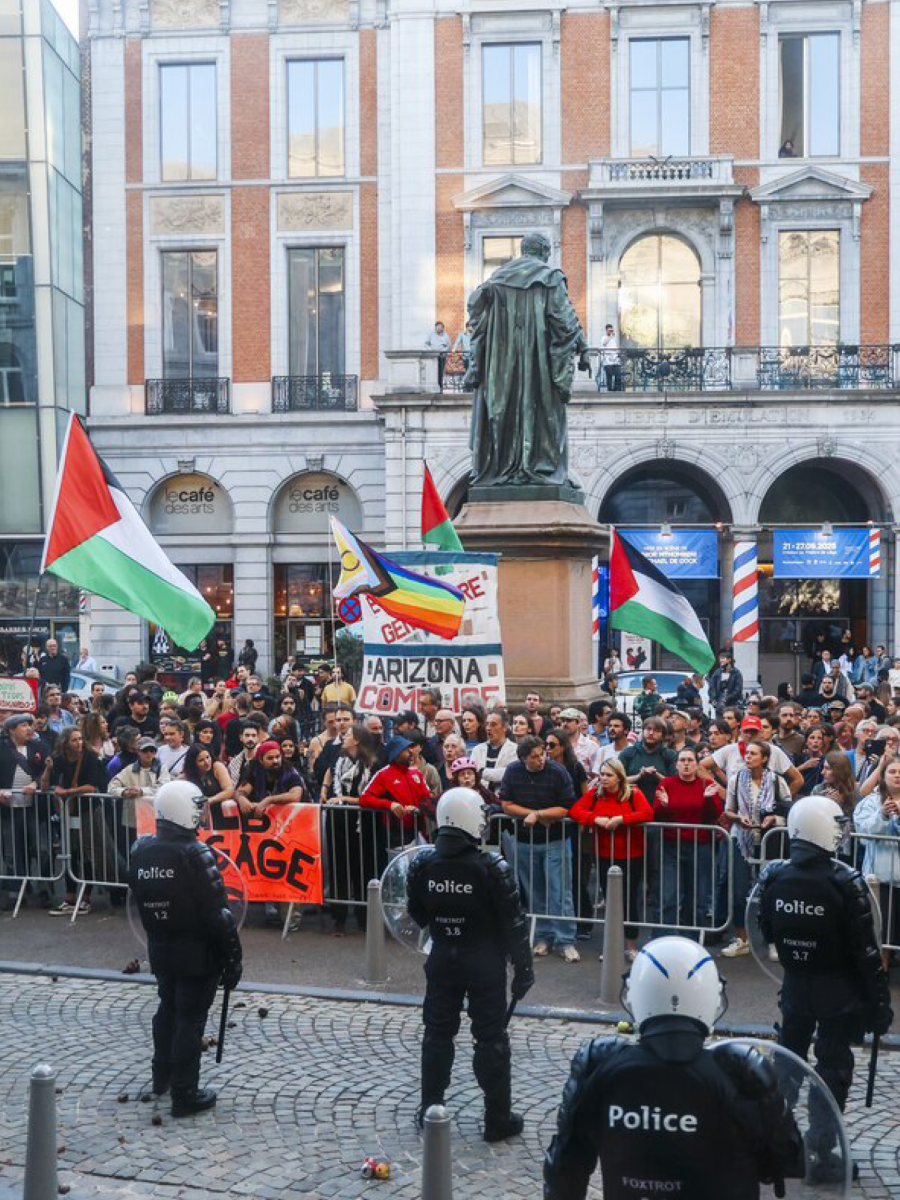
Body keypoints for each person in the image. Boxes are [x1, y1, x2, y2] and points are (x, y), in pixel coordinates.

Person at [544, 936, 804, 1199]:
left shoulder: (601, 1067)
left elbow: (565, 1168)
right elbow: (783, 1162)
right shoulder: (738, 1074)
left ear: (635, 995)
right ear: (712, 998)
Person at [758, 794, 892, 1181]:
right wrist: (879, 1004)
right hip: (837, 992)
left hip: (796, 988)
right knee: (832, 1070)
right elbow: (867, 952)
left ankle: (776, 1151)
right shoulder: (844, 883)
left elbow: (765, 929)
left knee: (787, 1067)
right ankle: (822, 1155)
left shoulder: (774, 875)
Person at [406, 787, 534, 1139]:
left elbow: (416, 912)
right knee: (491, 1039)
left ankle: (430, 1108)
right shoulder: (491, 867)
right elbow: (514, 924)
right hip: (484, 963)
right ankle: (497, 1118)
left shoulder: (423, 863)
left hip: (443, 956)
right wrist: (524, 969)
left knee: (437, 1035)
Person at [128, 780, 242, 1117]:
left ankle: (160, 1076)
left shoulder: (141, 849)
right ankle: (184, 1092)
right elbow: (219, 915)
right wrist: (232, 959)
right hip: (196, 951)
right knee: (190, 1019)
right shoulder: (194, 853)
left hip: (161, 945)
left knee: (168, 1009)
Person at [499, 736, 579, 962]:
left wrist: (539, 814)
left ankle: (566, 940)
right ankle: (544, 936)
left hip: (556, 840)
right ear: (523, 758)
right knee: (535, 892)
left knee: (560, 892)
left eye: (542, 753)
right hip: (524, 841)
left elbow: (566, 807)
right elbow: (505, 804)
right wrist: (531, 814)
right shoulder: (513, 771)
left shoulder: (558, 771)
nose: (541, 759)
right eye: (534, 757)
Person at [571, 758, 653, 959]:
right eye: (602, 774)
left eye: (608, 775)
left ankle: (631, 945)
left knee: (629, 899)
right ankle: (612, 946)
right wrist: (594, 819)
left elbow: (648, 813)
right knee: (610, 900)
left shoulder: (633, 793)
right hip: (604, 854)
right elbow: (575, 810)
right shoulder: (595, 793)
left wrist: (621, 820)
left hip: (631, 854)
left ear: (619, 776)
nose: (604, 779)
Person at [720, 739, 790, 957]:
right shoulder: (735, 779)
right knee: (739, 891)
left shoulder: (777, 781)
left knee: (771, 891)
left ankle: (773, 941)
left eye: (753, 753)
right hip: (741, 839)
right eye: (746, 753)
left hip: (771, 840)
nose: (747, 757)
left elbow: (789, 808)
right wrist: (738, 818)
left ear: (765, 758)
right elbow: (728, 810)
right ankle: (742, 940)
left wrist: (774, 818)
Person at [652, 747, 722, 935]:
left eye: (690, 760)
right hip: (670, 846)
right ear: (676, 764)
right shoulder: (667, 783)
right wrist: (666, 806)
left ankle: (692, 941)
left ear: (696, 764)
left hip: (700, 846)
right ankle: (663, 939)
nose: (686, 763)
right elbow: (657, 813)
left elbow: (714, 814)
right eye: (682, 760)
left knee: (697, 897)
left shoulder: (705, 784)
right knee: (668, 896)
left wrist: (707, 799)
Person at [855, 759, 900, 963]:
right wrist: (882, 814)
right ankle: (880, 975)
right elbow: (864, 833)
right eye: (892, 771)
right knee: (881, 933)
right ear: (882, 776)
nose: (897, 775)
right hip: (880, 878)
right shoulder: (870, 802)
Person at [618, 716, 676, 805]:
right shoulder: (628, 753)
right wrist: (639, 776)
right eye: (648, 729)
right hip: (631, 805)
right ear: (642, 731)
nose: (651, 733)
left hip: (660, 805)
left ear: (663, 735)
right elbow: (617, 781)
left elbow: (675, 784)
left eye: (656, 730)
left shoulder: (669, 755)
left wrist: (656, 774)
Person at [471, 709, 517, 792]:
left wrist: (482, 772)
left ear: (505, 727)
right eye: (487, 724)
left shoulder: (514, 750)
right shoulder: (477, 750)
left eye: (493, 725)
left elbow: (509, 773)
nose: (488, 728)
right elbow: (472, 774)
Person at [707, 650, 743, 715]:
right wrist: (713, 698)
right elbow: (712, 687)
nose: (721, 660)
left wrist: (728, 698)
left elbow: (738, 689)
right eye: (720, 659)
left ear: (729, 660)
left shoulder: (737, 673)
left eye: (723, 658)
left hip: (731, 705)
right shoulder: (717, 672)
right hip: (719, 705)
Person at [424, 320, 451, 390]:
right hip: (433, 356)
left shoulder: (445, 335)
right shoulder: (431, 334)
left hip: (442, 356)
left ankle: (440, 387)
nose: (438, 328)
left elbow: (449, 345)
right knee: (433, 372)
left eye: (440, 327)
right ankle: (433, 387)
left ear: (443, 328)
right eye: (437, 327)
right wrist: (430, 350)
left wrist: (443, 350)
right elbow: (426, 343)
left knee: (440, 372)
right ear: (435, 327)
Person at [597, 322, 622, 392]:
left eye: (612, 330)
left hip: (615, 360)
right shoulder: (604, 338)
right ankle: (610, 390)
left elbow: (615, 348)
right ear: (606, 330)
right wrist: (610, 337)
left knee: (618, 375)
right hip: (607, 361)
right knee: (609, 376)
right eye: (609, 330)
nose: (611, 332)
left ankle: (616, 389)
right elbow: (604, 343)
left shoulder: (613, 339)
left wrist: (618, 354)